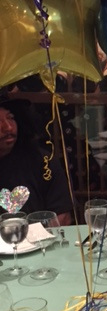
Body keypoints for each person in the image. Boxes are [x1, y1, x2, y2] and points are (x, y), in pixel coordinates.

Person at [0, 95, 72, 225]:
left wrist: (37, 235)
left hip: (41, 237)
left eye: (10, 118)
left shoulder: (43, 161)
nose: (8, 127)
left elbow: (62, 216)